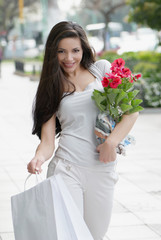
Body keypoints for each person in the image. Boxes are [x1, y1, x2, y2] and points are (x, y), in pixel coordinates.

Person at [27, 21, 138, 240]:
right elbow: (48, 142)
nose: (69, 58)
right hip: (66, 168)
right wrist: (38, 158)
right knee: (70, 235)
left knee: (95, 235)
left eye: (75, 51)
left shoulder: (103, 70)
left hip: (102, 169)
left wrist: (111, 142)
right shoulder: (51, 87)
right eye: (61, 51)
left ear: (83, 49)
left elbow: (131, 112)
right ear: (53, 53)